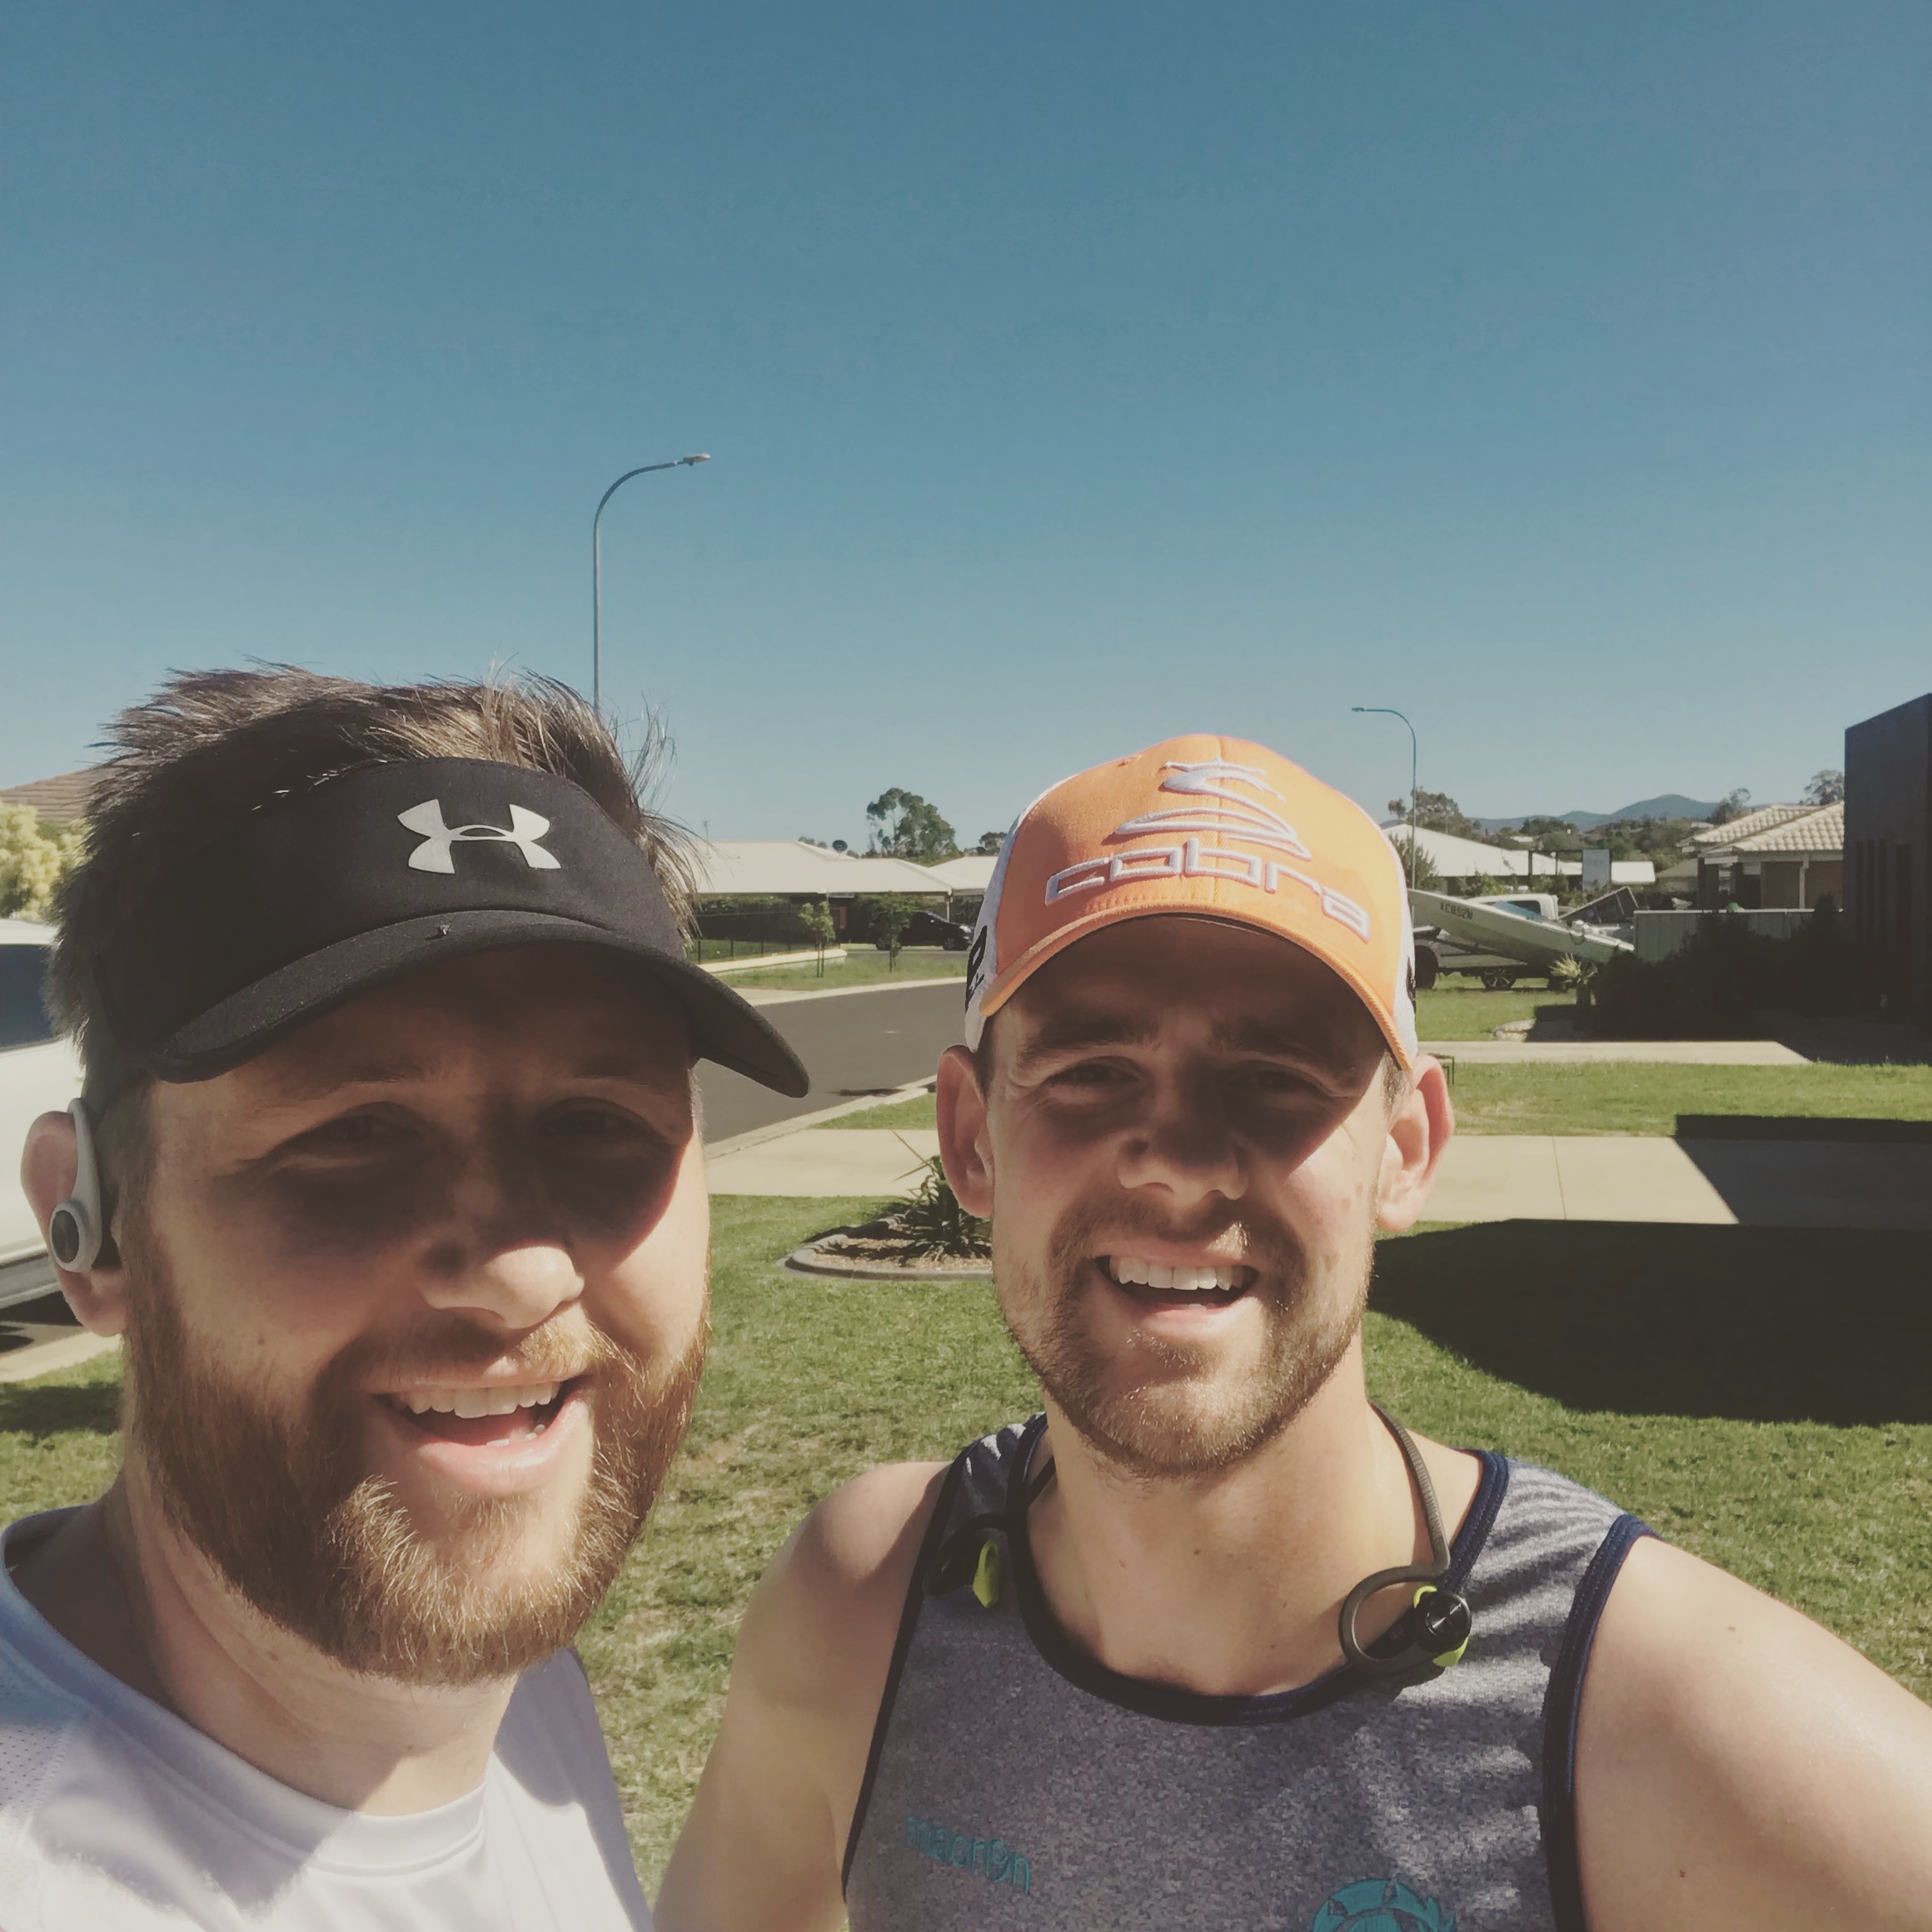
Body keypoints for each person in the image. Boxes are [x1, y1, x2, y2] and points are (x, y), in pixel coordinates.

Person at [658, 734, 1932, 1932]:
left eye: (1276, 1076)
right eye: (1093, 1070)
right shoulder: (864, 1608)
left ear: (1406, 1148)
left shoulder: (1645, 1711)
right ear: (970, 1137)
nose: (1180, 1160)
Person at [7, 669, 807, 1930]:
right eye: (354, 1133)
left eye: (597, 1122)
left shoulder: (519, 1693)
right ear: (91, 1226)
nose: (518, 1275)